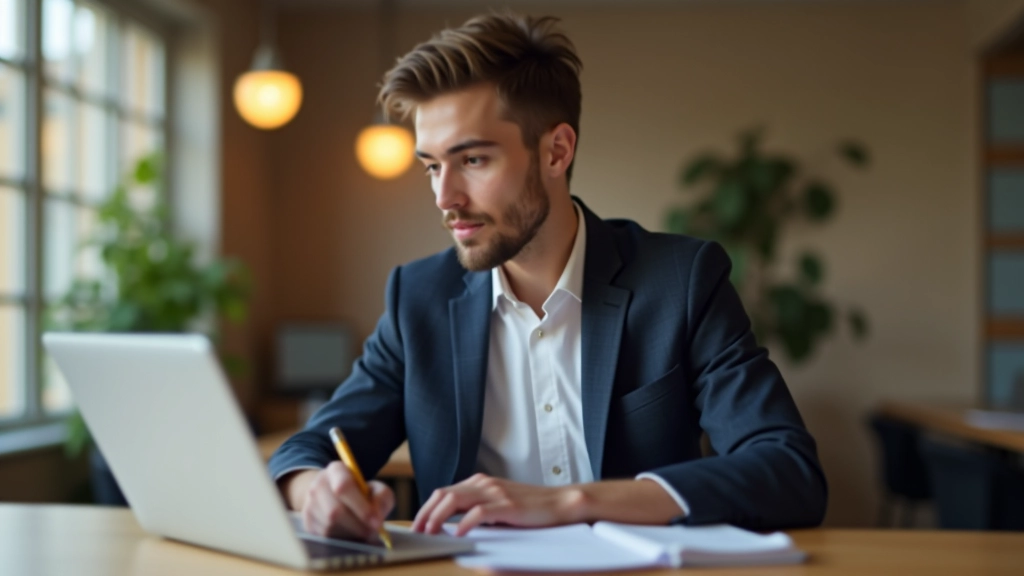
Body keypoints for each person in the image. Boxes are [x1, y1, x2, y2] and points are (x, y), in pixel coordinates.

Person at [269, 12, 826, 543]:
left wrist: (572, 502)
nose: (445, 199)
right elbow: (310, 448)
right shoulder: (419, 299)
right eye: (433, 166)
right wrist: (315, 489)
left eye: (474, 161)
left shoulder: (681, 282)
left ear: (556, 151)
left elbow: (788, 469)